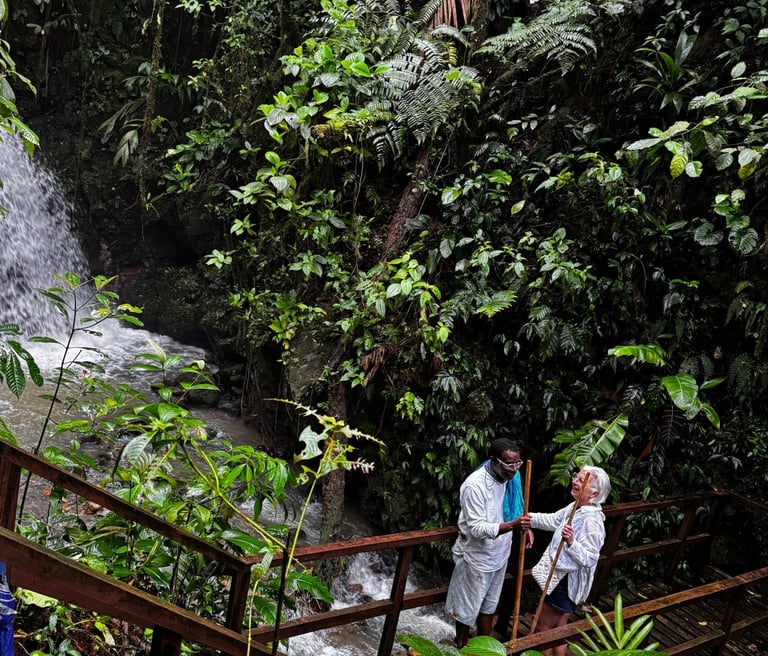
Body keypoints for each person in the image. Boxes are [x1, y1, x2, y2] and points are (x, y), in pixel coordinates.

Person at [445, 438, 534, 648]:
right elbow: (476, 528)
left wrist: (525, 527)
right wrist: (514, 525)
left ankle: (485, 648)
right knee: (466, 611)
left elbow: (517, 507)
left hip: (500, 556)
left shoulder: (512, 478)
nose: (514, 469)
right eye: (509, 463)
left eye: (517, 463)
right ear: (493, 461)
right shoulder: (474, 486)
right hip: (476, 557)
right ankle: (462, 646)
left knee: (489, 606)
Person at [519, 465, 611, 656]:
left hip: (566, 582)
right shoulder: (576, 506)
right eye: (576, 477)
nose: (575, 481)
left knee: (541, 631)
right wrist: (530, 519)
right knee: (558, 631)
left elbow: (590, 558)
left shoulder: (592, 521)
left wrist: (571, 542)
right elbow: (554, 521)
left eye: (581, 480)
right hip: (562, 577)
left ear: (594, 494)